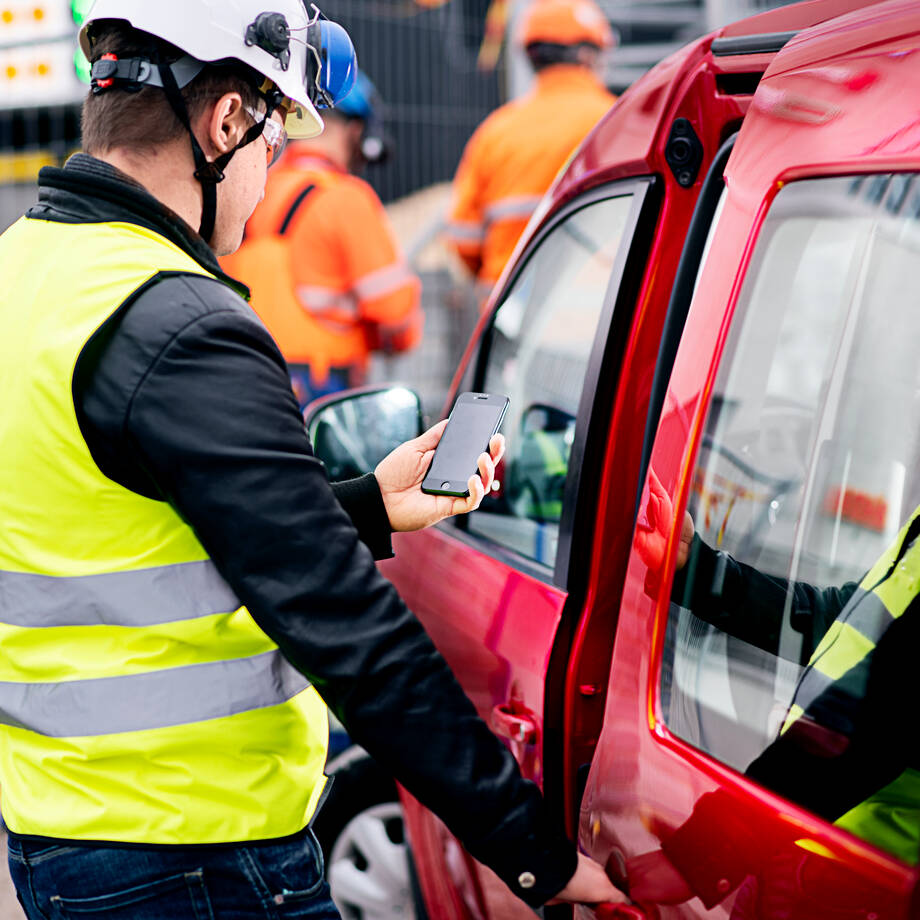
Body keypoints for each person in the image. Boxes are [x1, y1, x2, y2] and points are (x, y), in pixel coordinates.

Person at [0, 1, 626, 917]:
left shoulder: (27, 270)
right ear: (223, 124)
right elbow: (346, 627)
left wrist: (366, 505)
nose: (269, 175)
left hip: (62, 831)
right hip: (196, 855)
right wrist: (531, 853)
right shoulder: (183, 324)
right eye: (273, 140)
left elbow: (119, 529)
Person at [627, 471, 920, 912]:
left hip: (867, 878)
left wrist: (709, 852)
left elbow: (885, 708)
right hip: (810, 845)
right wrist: (697, 569)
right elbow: (842, 620)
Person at [223, 68, 422, 410]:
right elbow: (395, 313)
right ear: (357, 131)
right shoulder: (346, 198)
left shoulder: (256, 187)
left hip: (247, 370)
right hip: (321, 384)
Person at [445, 0, 616, 300]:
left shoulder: (495, 132)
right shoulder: (617, 120)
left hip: (514, 326)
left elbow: (464, 240)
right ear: (588, 55)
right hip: (600, 317)